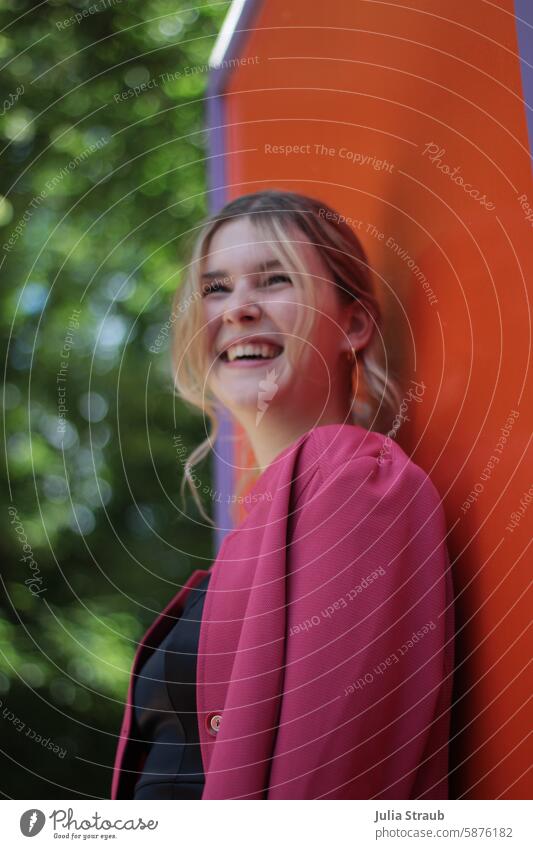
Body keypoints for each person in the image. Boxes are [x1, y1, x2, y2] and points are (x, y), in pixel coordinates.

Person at [111, 189, 455, 800]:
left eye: (273, 280)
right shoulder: (267, 523)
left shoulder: (357, 481)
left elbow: (327, 780)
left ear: (352, 323)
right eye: (215, 288)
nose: (237, 309)